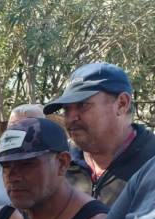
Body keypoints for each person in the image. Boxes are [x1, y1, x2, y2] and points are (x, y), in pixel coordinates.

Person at [44, 62, 155, 206]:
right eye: (66, 110)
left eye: (82, 105)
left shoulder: (150, 162)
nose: (71, 118)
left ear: (121, 104)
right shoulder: (58, 163)